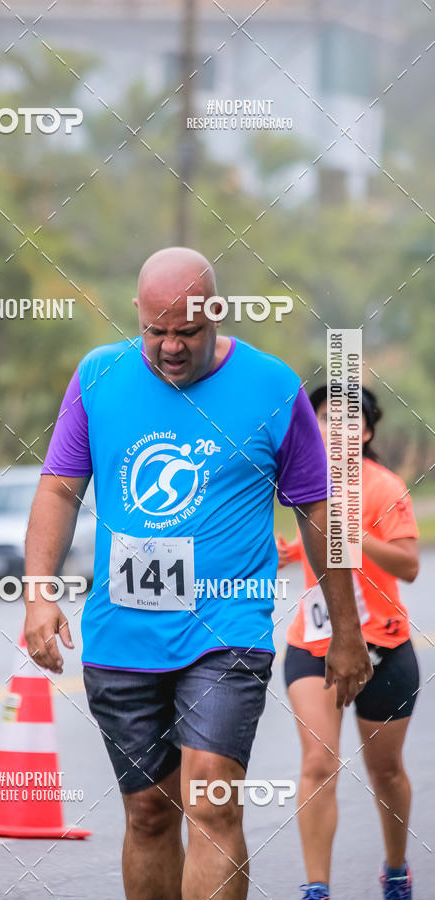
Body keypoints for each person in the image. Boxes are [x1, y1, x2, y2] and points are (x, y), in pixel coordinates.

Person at [23, 247, 372, 900]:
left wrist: (346, 632)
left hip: (226, 628)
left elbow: (317, 512)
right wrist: (39, 595)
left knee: (211, 798)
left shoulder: (272, 387)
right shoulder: (99, 376)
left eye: (187, 331)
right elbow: (59, 491)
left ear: (216, 313)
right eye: (157, 331)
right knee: (149, 812)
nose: (171, 347)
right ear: (139, 316)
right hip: (121, 634)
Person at [278, 385, 420, 900]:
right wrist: (285, 553)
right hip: (313, 646)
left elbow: (409, 565)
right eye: (321, 420)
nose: (332, 430)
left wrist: (352, 533)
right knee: (318, 764)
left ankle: (397, 869)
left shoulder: (383, 488)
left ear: (362, 433)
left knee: (385, 772)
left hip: (384, 649)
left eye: (345, 422)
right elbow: (303, 545)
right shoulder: (302, 486)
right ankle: (317, 887)